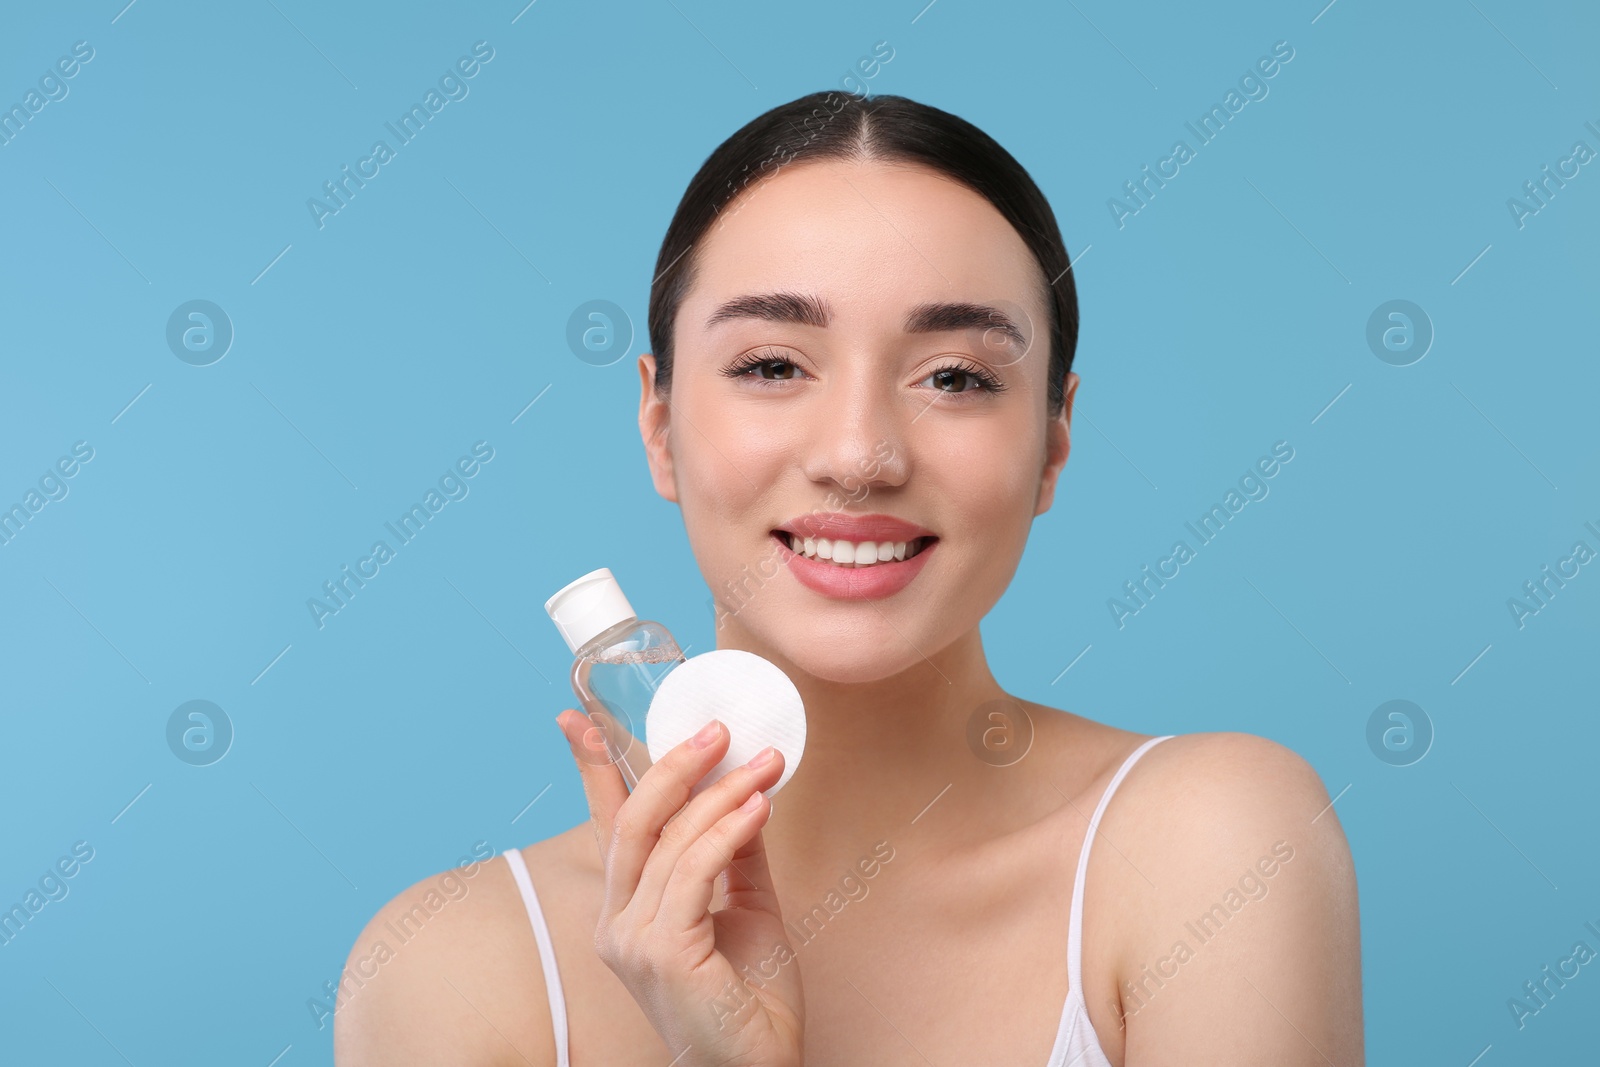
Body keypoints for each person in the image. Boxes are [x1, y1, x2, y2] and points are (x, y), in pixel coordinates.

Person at [335, 90, 1363, 1066]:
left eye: (955, 376)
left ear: (1053, 441)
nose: (860, 453)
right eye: (774, 365)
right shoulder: (450, 965)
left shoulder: (1215, 849)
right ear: (658, 425)